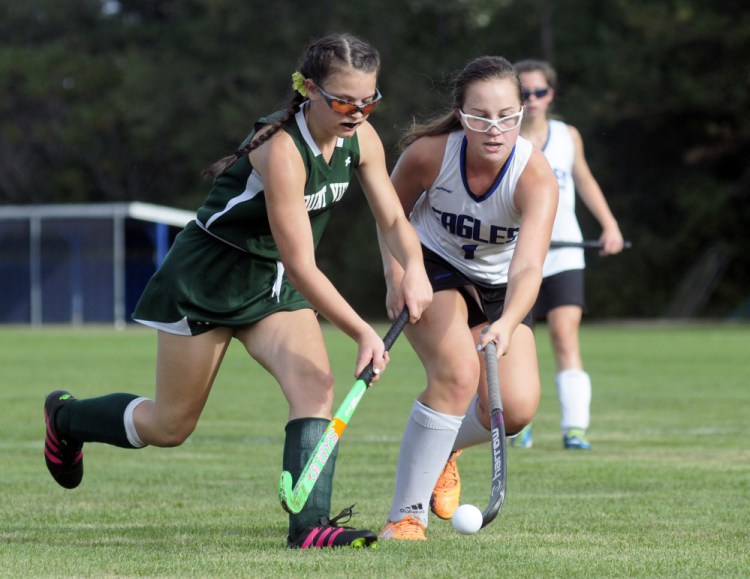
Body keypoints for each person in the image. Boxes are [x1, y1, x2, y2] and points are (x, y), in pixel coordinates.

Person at [42, 33, 432, 550]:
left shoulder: (362, 138)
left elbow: (391, 219)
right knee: (170, 424)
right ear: (309, 89)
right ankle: (66, 418)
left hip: (269, 287)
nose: (356, 113)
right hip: (207, 281)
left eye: (368, 101)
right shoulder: (282, 151)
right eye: (342, 101)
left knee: (316, 385)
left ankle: (309, 526)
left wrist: (415, 270)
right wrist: (363, 331)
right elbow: (301, 265)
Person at [376, 56, 558, 541]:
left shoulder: (535, 176)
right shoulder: (429, 155)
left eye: (506, 115)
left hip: (501, 286)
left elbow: (528, 267)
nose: (494, 128)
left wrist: (508, 321)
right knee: (457, 375)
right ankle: (405, 516)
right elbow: (388, 215)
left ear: (522, 113)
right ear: (460, 114)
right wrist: (398, 275)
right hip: (431, 266)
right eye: (480, 116)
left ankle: (444, 451)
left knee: (516, 409)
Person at [511, 59, 625, 450]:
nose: (533, 99)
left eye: (540, 92)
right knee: (516, 342)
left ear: (551, 95)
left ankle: (574, 428)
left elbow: (584, 179)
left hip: (564, 256)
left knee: (564, 335)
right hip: (517, 256)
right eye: (524, 92)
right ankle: (516, 420)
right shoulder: (504, 137)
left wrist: (609, 225)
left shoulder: (567, 135)